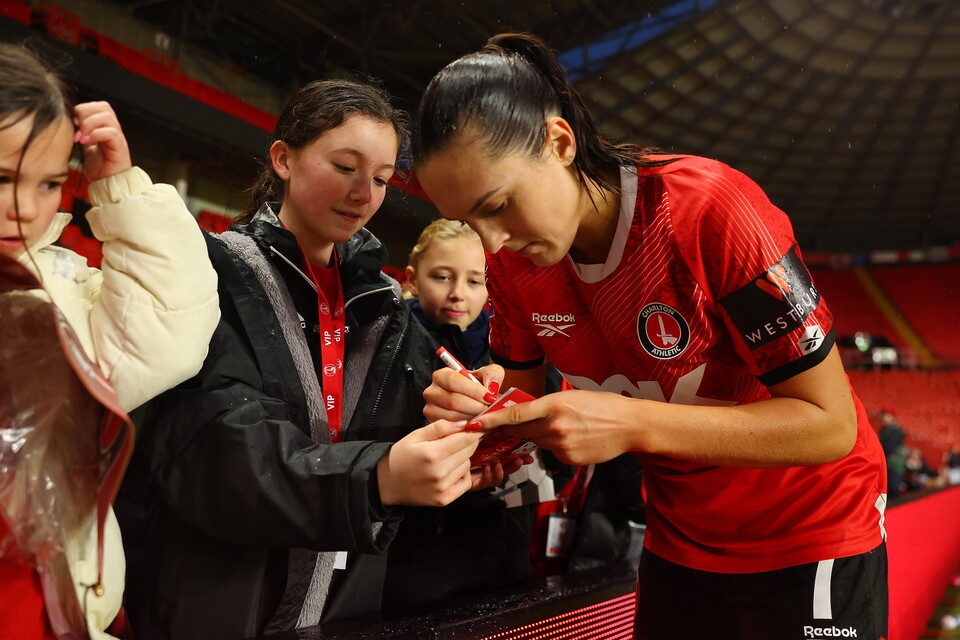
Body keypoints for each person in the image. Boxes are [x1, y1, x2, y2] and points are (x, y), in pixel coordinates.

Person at [412, 32, 888, 640]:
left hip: (812, 533)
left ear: (559, 143)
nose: (492, 242)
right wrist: (481, 410)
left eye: (499, 205)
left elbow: (829, 424)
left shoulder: (713, 212)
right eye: (469, 222)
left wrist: (628, 423)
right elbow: (523, 402)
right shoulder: (510, 263)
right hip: (679, 542)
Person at [120, 79, 518, 640]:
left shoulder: (389, 308)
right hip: (212, 600)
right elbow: (219, 452)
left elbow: (417, 438)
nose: (364, 194)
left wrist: (465, 433)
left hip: (345, 607)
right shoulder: (208, 275)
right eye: (345, 166)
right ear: (283, 158)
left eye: (381, 179)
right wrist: (378, 478)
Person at [0, 42, 219, 639]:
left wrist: (120, 190)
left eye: (47, 184)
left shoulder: (58, 283)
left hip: (59, 610)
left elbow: (165, 340)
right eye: (2, 177)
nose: (25, 208)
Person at [381, 218, 532, 612]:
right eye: (442, 277)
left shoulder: (513, 345)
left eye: (474, 281)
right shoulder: (387, 339)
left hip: (493, 532)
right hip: (411, 542)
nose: (457, 294)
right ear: (412, 279)